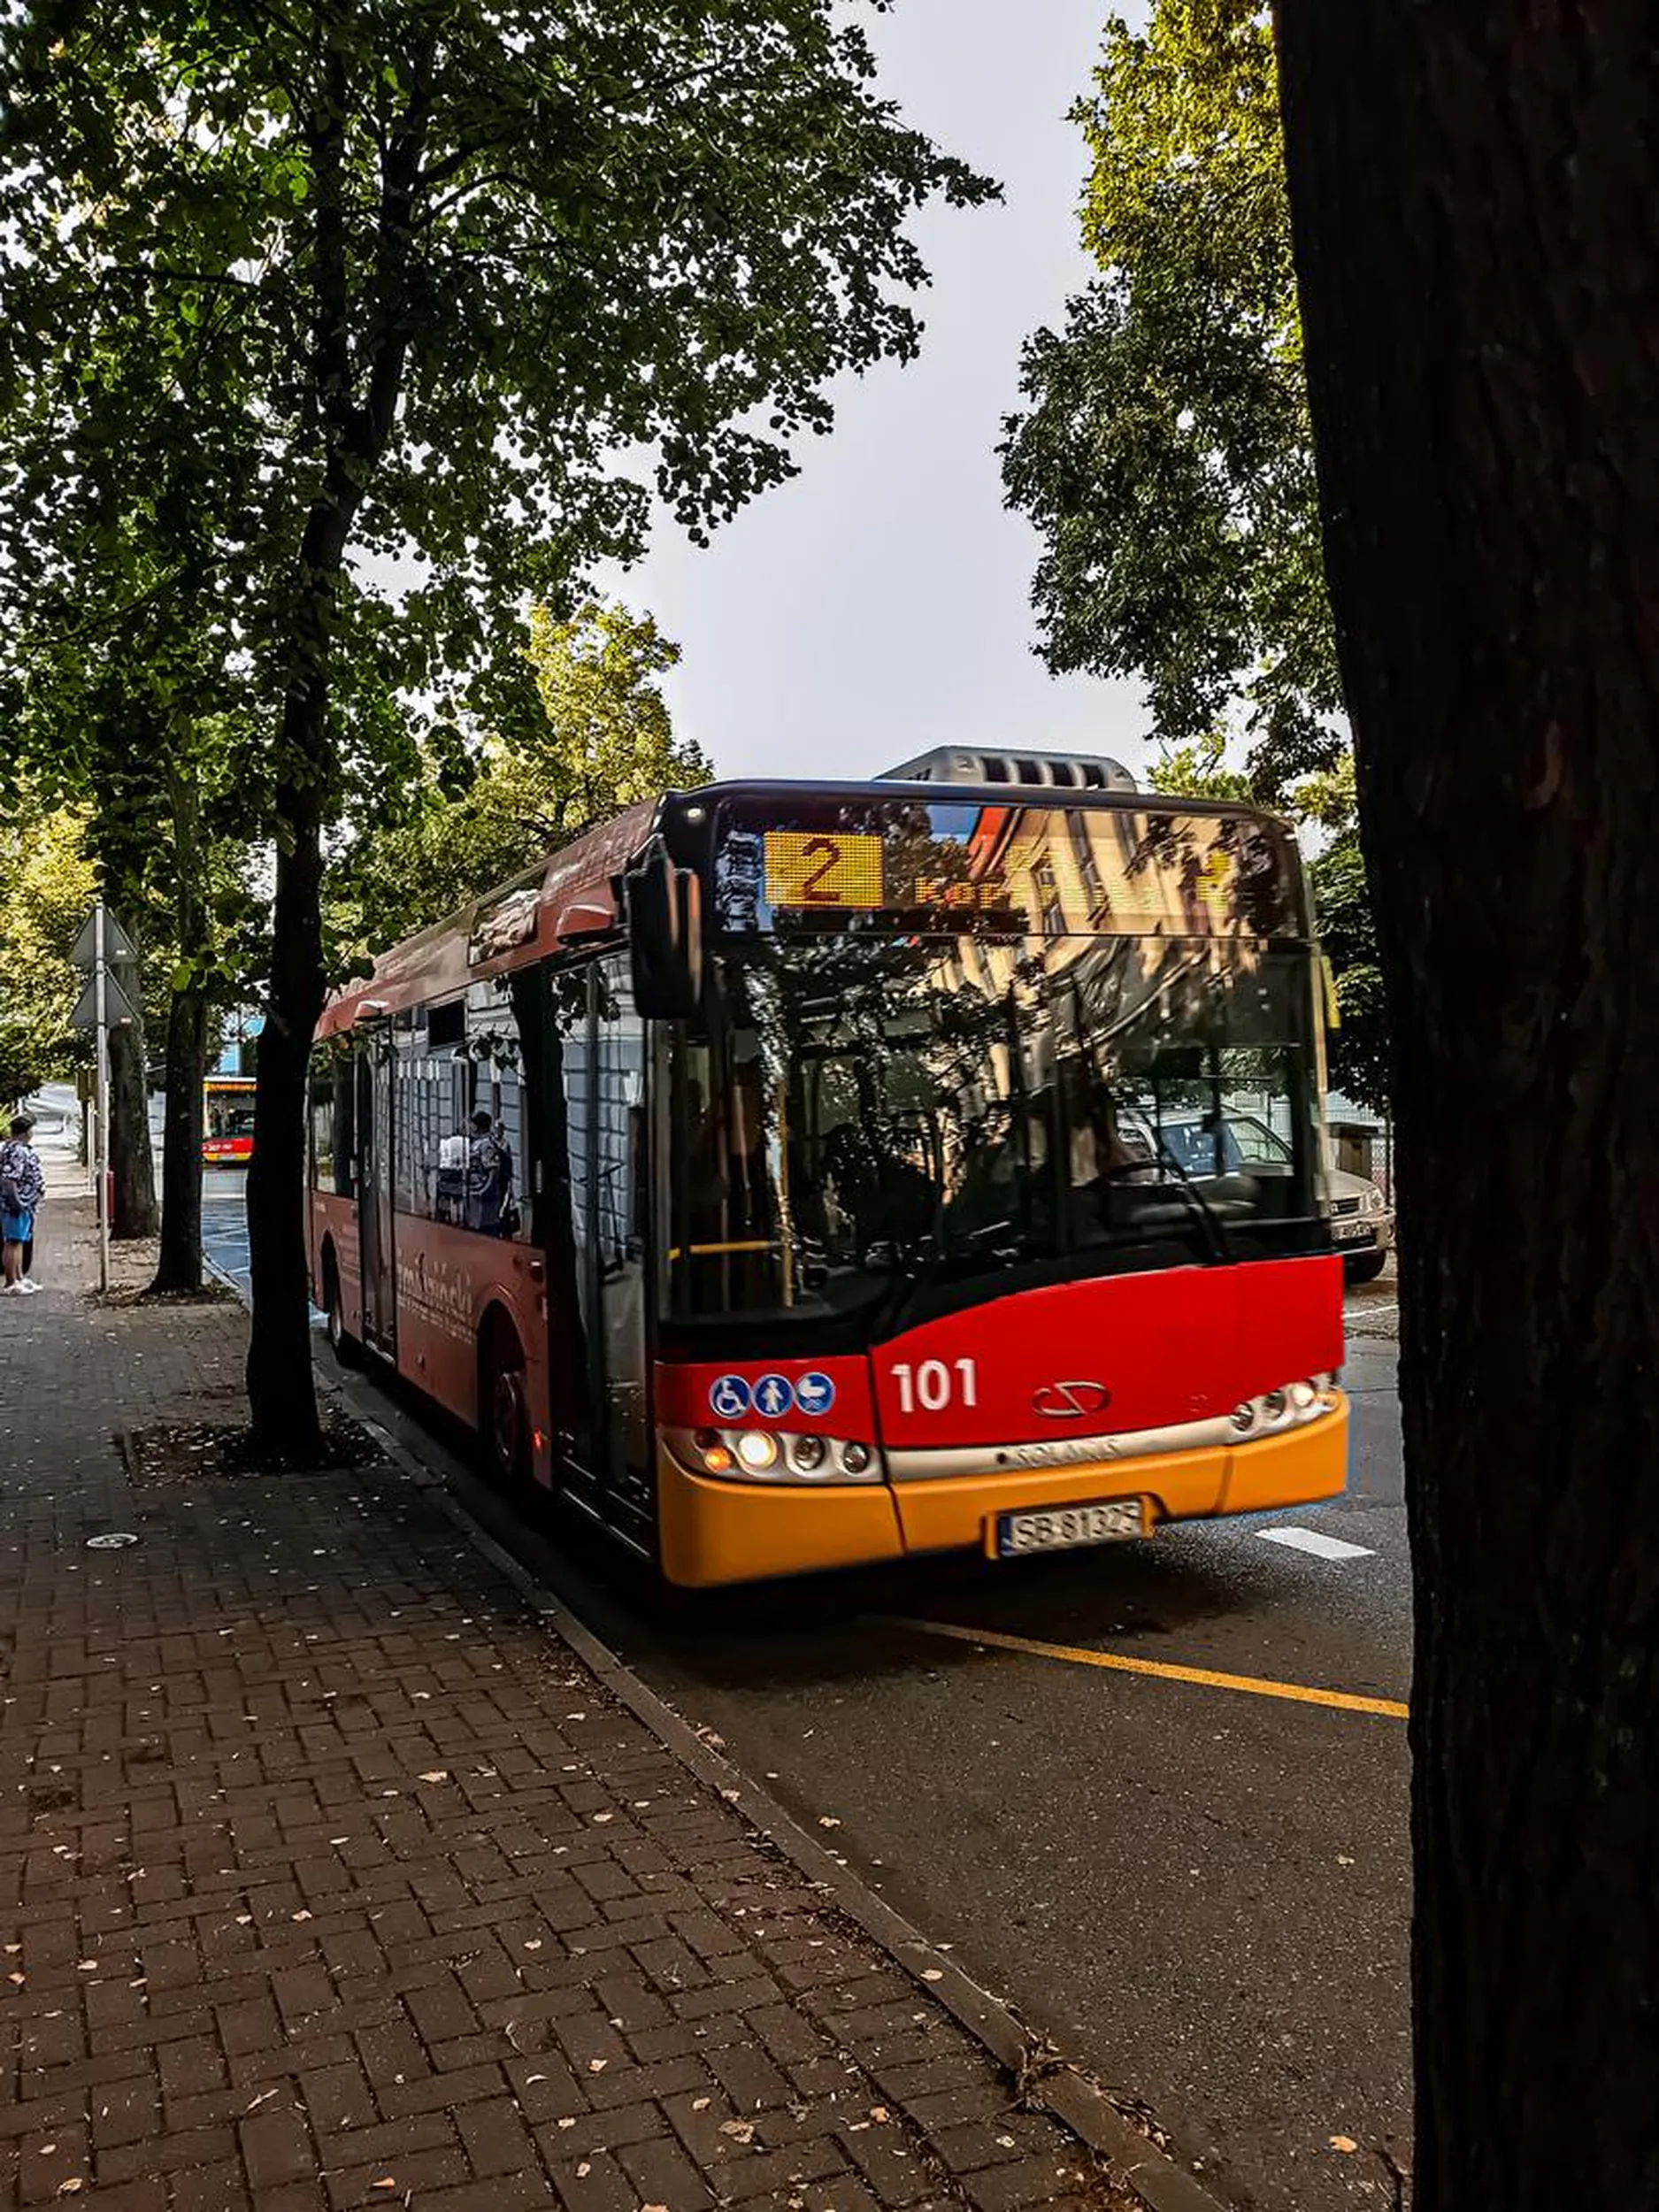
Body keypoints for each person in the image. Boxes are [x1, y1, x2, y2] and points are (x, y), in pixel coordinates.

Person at [1, 1113, 46, 1296]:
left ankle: (19, 1277)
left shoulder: (17, 1148)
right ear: (26, 1131)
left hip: (25, 1203)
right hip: (16, 1204)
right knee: (13, 1241)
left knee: (19, 1241)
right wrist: (17, 1201)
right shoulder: (16, 1151)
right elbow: (9, 1180)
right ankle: (11, 1281)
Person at [465, 1108, 515, 1237]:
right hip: (476, 1191)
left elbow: (493, 1171)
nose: (470, 1127)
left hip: (484, 1196)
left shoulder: (486, 1145)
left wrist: (484, 1190)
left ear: (479, 1126)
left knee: (485, 1231)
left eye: (473, 1124)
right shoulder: (478, 1143)